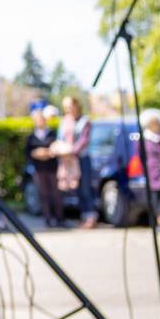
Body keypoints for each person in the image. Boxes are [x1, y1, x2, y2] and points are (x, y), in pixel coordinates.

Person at [59, 94, 97, 229]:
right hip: (70, 160)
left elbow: (84, 140)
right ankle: (84, 216)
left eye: (70, 106)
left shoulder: (85, 121)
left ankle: (91, 216)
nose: (68, 109)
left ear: (76, 106)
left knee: (86, 188)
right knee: (78, 189)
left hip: (82, 158)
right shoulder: (66, 121)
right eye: (65, 107)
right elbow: (62, 138)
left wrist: (71, 151)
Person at [26, 106, 63, 227]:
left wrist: (46, 153)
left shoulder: (52, 133)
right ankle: (47, 218)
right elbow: (28, 152)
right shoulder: (32, 136)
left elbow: (55, 148)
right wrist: (37, 153)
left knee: (55, 193)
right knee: (43, 193)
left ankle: (59, 218)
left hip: (52, 167)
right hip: (39, 168)